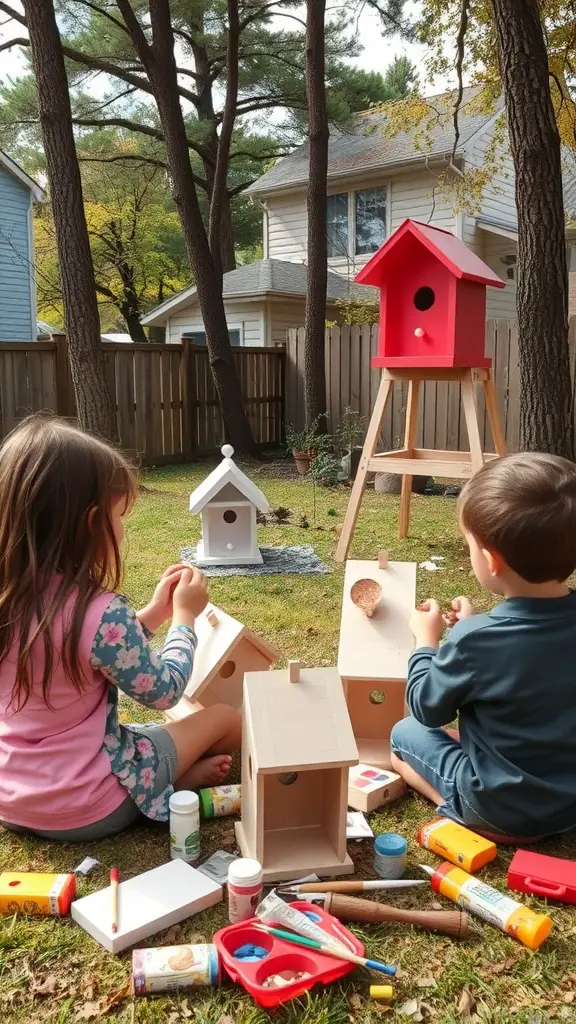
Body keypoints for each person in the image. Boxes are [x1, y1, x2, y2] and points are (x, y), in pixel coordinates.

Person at [0, 415, 241, 842]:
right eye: (118, 515)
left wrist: (151, 614)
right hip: (88, 807)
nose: (122, 526)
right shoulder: (100, 611)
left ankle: (169, 779)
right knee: (223, 719)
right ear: (92, 523)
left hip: (13, 800)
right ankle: (164, 788)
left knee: (143, 738)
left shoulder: (10, 597)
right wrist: (185, 617)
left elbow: (82, 651)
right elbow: (163, 691)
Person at [390, 451, 576, 840]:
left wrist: (426, 642)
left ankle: (458, 807)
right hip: (567, 807)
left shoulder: (471, 640)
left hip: (497, 808)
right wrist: (474, 626)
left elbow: (427, 709)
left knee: (403, 735)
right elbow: (528, 645)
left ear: (491, 560)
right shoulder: (478, 636)